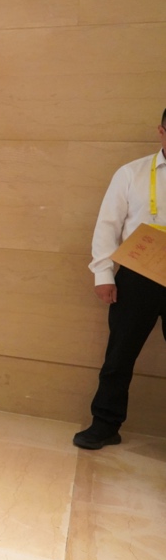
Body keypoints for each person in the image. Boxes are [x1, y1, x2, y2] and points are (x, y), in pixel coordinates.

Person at [78, 107, 166, 450]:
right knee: (119, 355)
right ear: (161, 131)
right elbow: (108, 225)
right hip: (139, 275)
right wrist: (103, 274)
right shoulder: (132, 173)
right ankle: (104, 425)